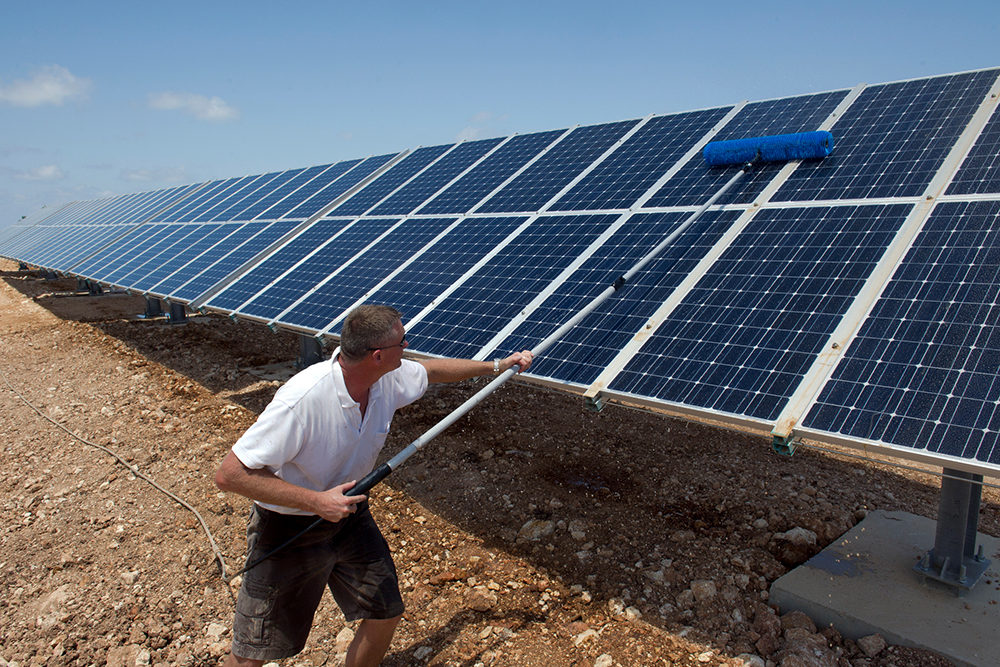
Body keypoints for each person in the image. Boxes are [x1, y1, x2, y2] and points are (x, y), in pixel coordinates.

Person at [215, 304, 533, 667]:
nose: (409, 348)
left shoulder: (387, 377)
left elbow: (431, 371)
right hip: (290, 528)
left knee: (385, 611)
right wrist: (317, 501)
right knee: (254, 650)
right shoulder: (302, 401)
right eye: (403, 343)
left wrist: (497, 366)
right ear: (378, 355)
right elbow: (230, 474)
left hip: (350, 515)